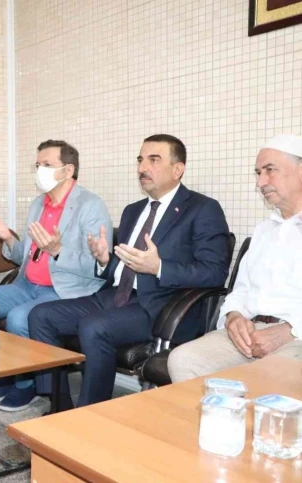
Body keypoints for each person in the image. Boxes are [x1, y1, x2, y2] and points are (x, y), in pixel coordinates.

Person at [28, 134, 231, 408]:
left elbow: (214, 272)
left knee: (94, 326)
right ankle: (60, 406)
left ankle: (91, 414)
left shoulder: (202, 209)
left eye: (153, 160)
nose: (142, 168)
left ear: (177, 169)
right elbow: (122, 267)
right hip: (115, 295)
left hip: (161, 305)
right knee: (41, 316)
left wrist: (159, 267)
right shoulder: (132, 211)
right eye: (140, 160)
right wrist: (104, 260)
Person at [0, 140, 112, 412]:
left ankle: (25, 384)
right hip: (26, 285)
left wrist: (58, 250)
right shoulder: (39, 204)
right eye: (38, 164)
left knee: (18, 318)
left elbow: (97, 266)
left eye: (47, 165)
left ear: (68, 170)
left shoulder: (90, 205)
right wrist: (7, 237)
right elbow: (27, 257)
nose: (40, 170)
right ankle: (4, 374)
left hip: (63, 290)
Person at [168, 134, 302, 381]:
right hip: (249, 332)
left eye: (270, 170)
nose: (260, 182)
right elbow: (241, 290)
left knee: (273, 376)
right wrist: (234, 317)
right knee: (184, 359)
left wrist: (290, 331)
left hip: (296, 339)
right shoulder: (264, 230)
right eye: (258, 173)